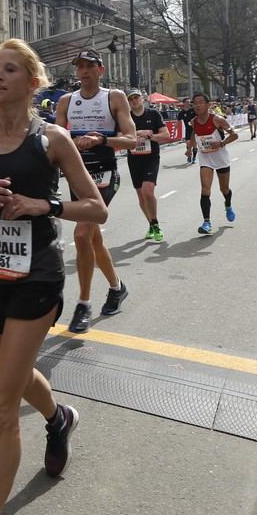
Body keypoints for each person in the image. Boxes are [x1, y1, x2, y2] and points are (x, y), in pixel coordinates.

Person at [0, 38, 107, 515]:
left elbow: (97, 208)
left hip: (37, 277)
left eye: (10, 69)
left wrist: (44, 206)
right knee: (13, 372)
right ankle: (59, 418)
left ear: (33, 83)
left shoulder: (52, 140)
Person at [54, 49, 133, 333]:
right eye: (80, 67)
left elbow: (131, 140)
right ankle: (117, 287)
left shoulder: (114, 97)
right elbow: (55, 138)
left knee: (81, 234)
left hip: (105, 176)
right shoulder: (66, 101)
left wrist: (101, 140)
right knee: (93, 240)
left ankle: (83, 304)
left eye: (90, 66)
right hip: (78, 178)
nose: (84, 71)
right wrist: (69, 143)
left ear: (101, 70)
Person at [186, 93, 237, 235]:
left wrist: (221, 143)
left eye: (201, 102)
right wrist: (189, 148)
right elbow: (194, 134)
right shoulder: (193, 122)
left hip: (220, 157)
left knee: (224, 189)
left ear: (208, 105)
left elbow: (234, 135)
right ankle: (206, 222)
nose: (197, 105)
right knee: (205, 189)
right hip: (205, 158)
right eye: (195, 103)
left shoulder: (217, 119)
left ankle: (228, 205)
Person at [126, 87, 171, 242]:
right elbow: (119, 135)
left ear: (142, 99)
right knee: (141, 196)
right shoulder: (126, 118)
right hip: (134, 159)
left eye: (136, 98)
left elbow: (166, 136)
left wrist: (149, 137)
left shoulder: (153, 114)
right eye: (131, 99)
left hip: (151, 157)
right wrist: (137, 135)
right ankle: (151, 224)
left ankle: (156, 223)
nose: (134, 101)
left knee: (148, 192)